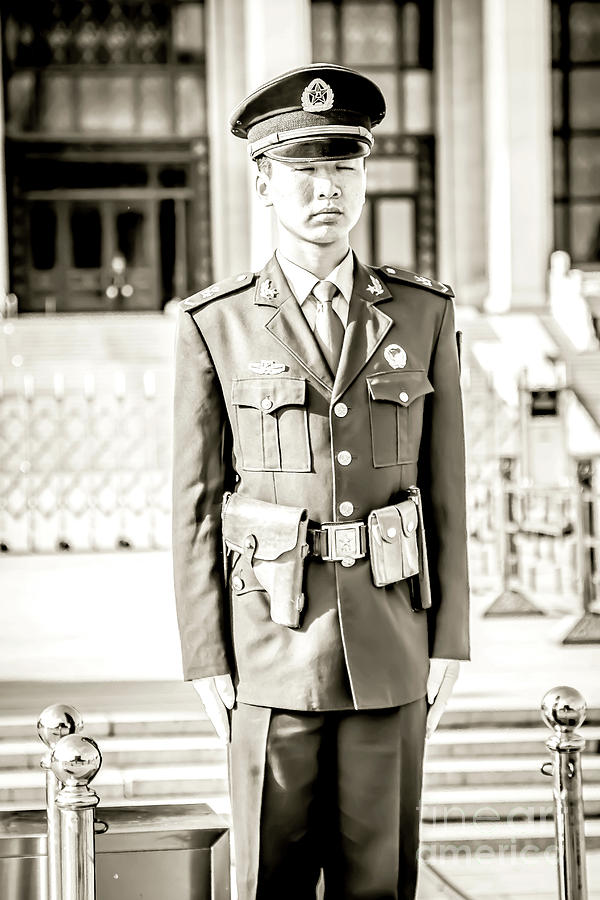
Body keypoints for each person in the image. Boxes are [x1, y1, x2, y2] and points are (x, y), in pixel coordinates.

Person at [172, 63, 469, 900]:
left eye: (343, 167)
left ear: (365, 178)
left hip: (390, 635)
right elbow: (194, 506)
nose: (326, 189)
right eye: (304, 170)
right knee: (271, 877)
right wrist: (204, 653)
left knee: (381, 881)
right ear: (265, 183)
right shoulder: (214, 324)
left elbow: (446, 487)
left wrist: (450, 637)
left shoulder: (421, 313)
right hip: (268, 643)